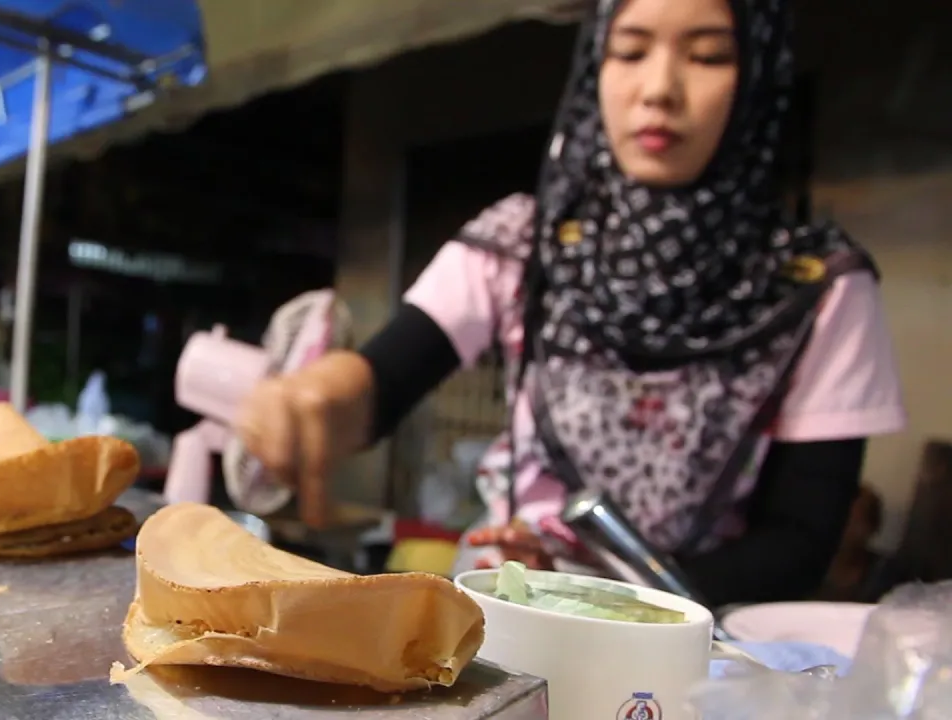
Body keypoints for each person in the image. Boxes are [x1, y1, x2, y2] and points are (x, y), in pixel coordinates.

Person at [235, 0, 906, 607]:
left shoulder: (821, 285)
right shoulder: (524, 239)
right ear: (594, 66)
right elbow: (383, 379)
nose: (659, 90)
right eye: (630, 50)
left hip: (684, 626)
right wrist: (321, 393)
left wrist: (610, 595)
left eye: (707, 56)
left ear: (759, 75)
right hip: (507, 598)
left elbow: (799, 540)